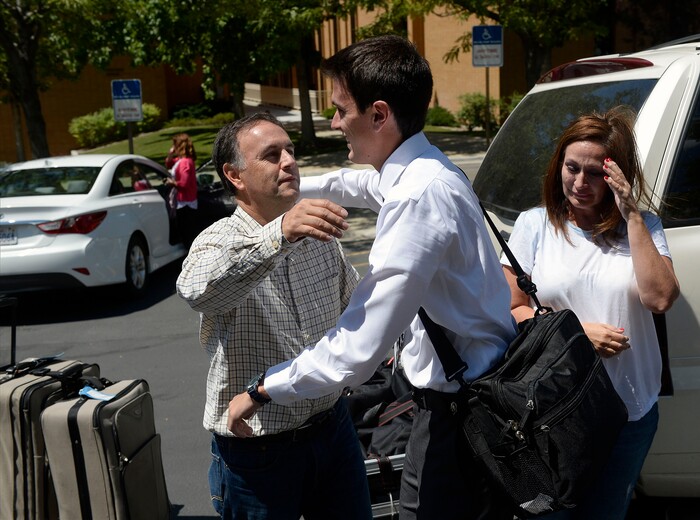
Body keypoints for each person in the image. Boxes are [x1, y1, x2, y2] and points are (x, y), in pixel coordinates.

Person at [227, 35, 518, 519]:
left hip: (456, 419)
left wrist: (261, 389)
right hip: (469, 397)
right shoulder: (421, 168)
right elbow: (358, 183)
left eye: (341, 109)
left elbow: (357, 347)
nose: (334, 121)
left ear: (379, 114)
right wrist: (282, 187)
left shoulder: (417, 197)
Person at [176, 112, 372, 519]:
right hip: (258, 451)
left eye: (290, 151)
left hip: (333, 430)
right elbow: (197, 291)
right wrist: (279, 234)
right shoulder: (217, 240)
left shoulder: (318, 235)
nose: (288, 162)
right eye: (271, 155)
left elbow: (356, 307)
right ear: (235, 175)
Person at [501, 106, 680, 519]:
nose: (580, 183)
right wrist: (576, 336)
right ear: (558, 165)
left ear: (617, 177)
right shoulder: (535, 226)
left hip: (628, 411)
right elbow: (510, 309)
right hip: (553, 414)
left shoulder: (644, 227)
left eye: (596, 173)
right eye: (572, 168)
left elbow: (660, 299)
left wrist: (631, 212)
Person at [165, 133, 199, 249]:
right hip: (182, 202)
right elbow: (168, 164)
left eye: (174, 144)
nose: (173, 147)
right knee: (185, 234)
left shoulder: (185, 162)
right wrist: (170, 154)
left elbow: (183, 183)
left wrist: (171, 182)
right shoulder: (180, 160)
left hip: (186, 203)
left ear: (178, 146)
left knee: (187, 235)